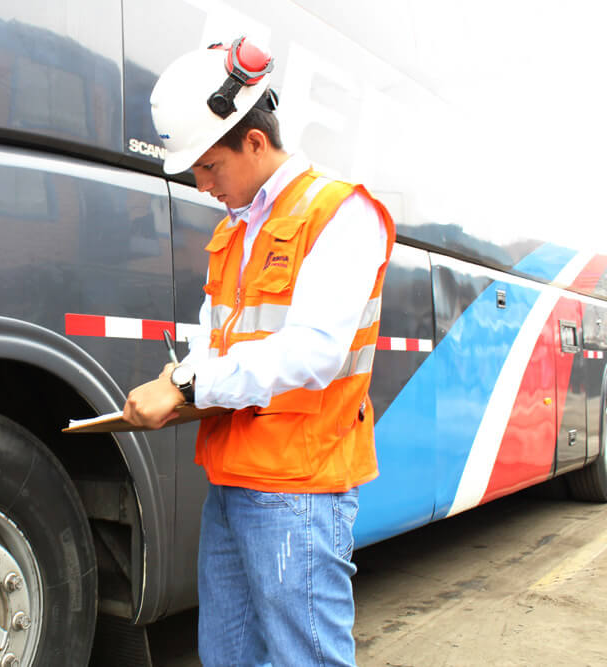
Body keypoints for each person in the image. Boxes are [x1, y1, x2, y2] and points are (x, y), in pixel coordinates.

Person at [123, 37, 395, 666]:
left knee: (306, 657)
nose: (200, 182)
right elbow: (215, 339)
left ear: (253, 141)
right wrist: (182, 373)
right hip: (233, 476)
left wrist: (188, 389)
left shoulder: (339, 212)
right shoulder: (235, 230)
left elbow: (317, 350)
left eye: (209, 166)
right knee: (228, 656)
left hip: (298, 485)